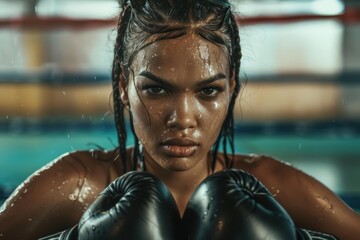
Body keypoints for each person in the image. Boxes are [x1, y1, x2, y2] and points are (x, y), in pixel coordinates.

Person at [0, 0, 359, 239]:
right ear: (124, 85)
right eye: (157, 90)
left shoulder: (273, 187)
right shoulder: (75, 187)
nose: (183, 118)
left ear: (232, 87)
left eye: (208, 92)